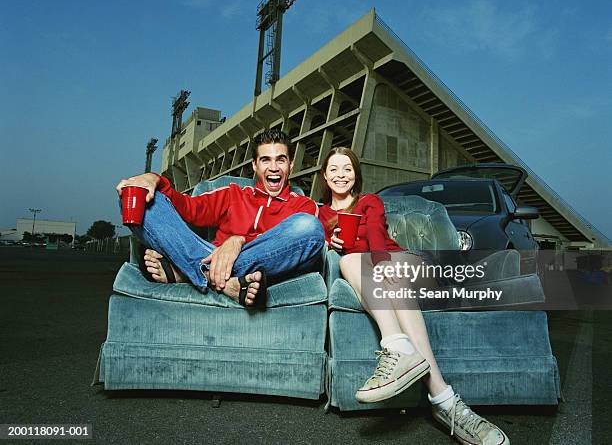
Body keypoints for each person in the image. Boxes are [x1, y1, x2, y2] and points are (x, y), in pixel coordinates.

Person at [318, 147, 509, 445]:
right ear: (324, 175)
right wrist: (332, 241)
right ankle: (444, 399)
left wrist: (381, 261)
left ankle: (397, 348)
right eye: (334, 169)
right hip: (372, 272)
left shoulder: (369, 201)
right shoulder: (322, 214)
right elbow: (329, 248)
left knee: (381, 270)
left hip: (405, 260)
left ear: (356, 175)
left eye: (347, 169)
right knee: (347, 261)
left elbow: (376, 233)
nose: (340, 175)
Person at [115, 129, 325, 308]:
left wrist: (238, 241)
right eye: (265, 160)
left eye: (281, 159)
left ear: (291, 165)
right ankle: (225, 282)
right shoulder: (233, 194)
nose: (273, 167)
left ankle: (187, 272)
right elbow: (189, 209)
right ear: (254, 165)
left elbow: (304, 244)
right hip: (212, 255)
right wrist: (154, 179)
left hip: (263, 268)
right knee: (137, 196)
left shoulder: (303, 205)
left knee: (309, 227)